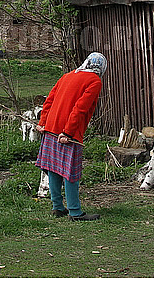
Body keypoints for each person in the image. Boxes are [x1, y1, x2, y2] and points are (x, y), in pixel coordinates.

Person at [35, 52, 106, 221]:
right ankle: (75, 212)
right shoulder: (94, 81)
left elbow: (49, 100)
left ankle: (57, 207)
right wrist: (68, 132)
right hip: (67, 132)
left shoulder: (67, 76)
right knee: (69, 172)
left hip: (51, 127)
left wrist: (43, 122)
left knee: (54, 169)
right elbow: (80, 108)